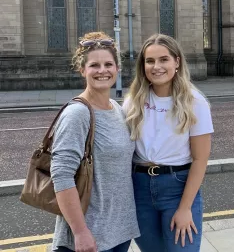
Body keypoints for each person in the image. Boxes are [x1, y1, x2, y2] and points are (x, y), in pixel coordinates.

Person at [51, 32, 140, 252]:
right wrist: (80, 232)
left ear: (117, 69)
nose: (102, 70)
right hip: (90, 237)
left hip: (119, 232)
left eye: (108, 64)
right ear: (82, 70)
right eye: (94, 65)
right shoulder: (77, 114)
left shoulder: (117, 109)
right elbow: (61, 175)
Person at [124, 34, 213, 252]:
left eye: (164, 60)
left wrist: (185, 208)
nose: (156, 67)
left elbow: (200, 159)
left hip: (177, 188)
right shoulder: (133, 101)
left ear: (177, 61)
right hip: (139, 188)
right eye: (150, 61)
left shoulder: (195, 102)